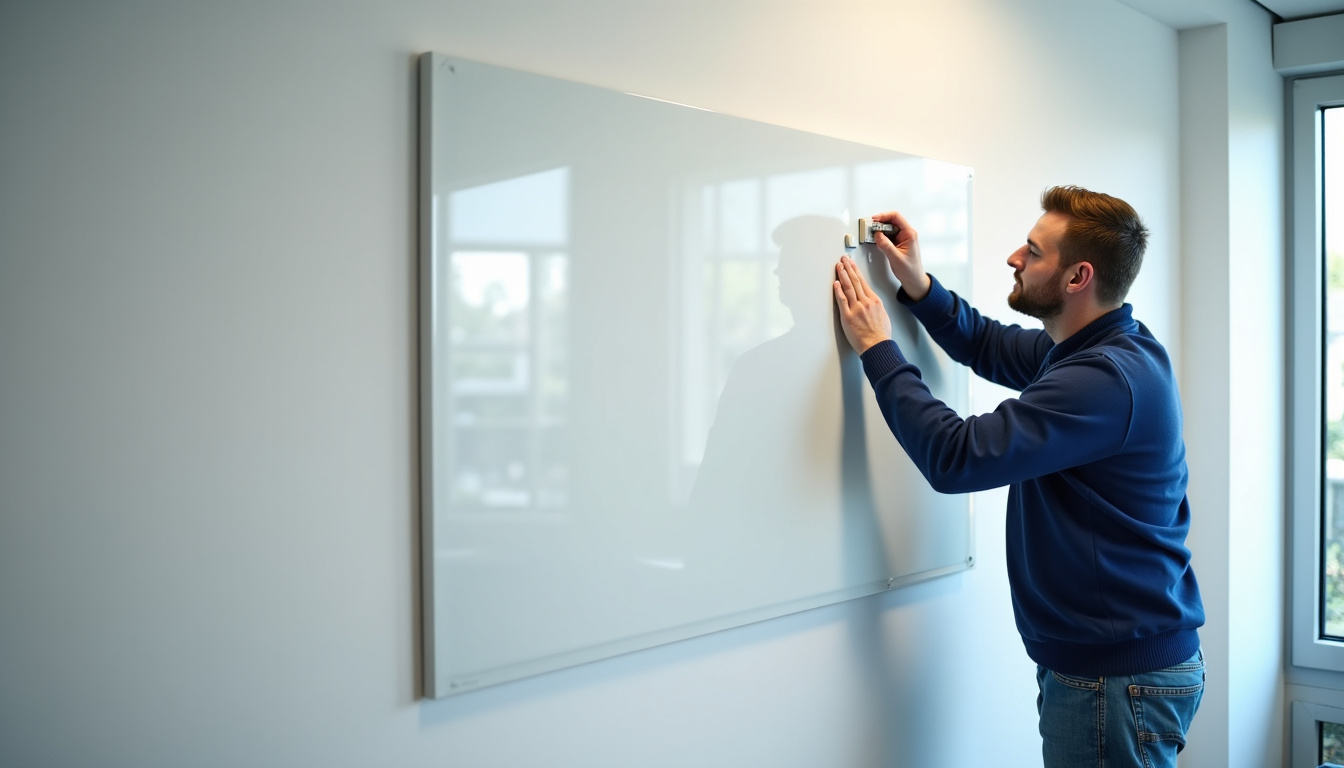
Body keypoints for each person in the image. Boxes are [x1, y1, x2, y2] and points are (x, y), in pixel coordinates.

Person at [831, 186, 1205, 768]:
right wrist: (917, 285)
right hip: (1114, 670)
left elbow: (957, 457)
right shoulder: (1098, 347)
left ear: (1078, 276)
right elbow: (987, 344)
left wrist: (878, 347)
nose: (1014, 258)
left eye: (1033, 251)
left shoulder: (1104, 379)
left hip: (1116, 679)